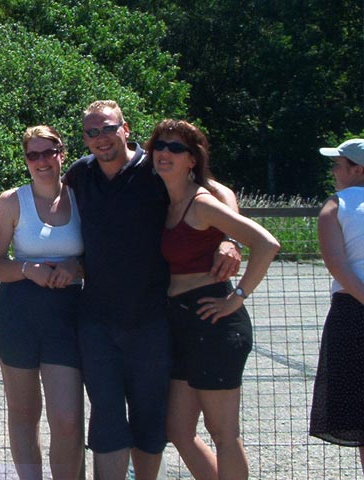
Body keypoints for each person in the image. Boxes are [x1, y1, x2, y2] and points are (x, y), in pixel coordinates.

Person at [62, 100, 242, 480]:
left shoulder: (155, 168)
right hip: (96, 322)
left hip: (153, 321)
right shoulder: (80, 174)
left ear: (125, 129)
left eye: (108, 128)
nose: (101, 138)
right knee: (107, 418)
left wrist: (230, 237)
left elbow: (216, 190)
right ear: (85, 138)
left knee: (149, 419)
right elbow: (44, 198)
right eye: (92, 132)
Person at [147, 119, 280, 479]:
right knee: (178, 429)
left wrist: (237, 297)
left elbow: (266, 244)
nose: (165, 153)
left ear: (192, 159)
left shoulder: (202, 203)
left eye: (176, 148)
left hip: (215, 320)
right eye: (160, 145)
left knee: (222, 432)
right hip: (180, 321)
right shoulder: (166, 200)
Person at [0, 126, 84, 479]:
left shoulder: (82, 198)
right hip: (18, 312)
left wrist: (76, 266)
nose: (42, 161)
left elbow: (102, 256)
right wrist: (27, 270)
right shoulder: (12, 202)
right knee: (24, 414)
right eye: (33, 155)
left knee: (67, 418)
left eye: (48, 152)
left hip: (68, 313)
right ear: (25, 160)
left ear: (62, 153)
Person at [310, 138, 364, 474]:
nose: (333, 171)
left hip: (352, 313)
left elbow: (337, 265)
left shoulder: (335, 206)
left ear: (358, 170)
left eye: (338, 164)